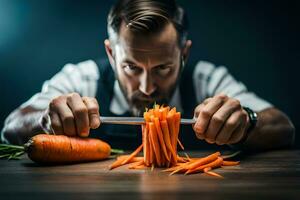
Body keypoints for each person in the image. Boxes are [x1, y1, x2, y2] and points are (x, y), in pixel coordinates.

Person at [1, 0, 295, 151]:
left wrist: (246, 123)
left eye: (163, 68)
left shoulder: (207, 80)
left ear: (184, 54)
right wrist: (44, 120)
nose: (147, 87)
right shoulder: (82, 78)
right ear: (111, 54)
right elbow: (12, 127)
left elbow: (284, 128)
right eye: (131, 67)